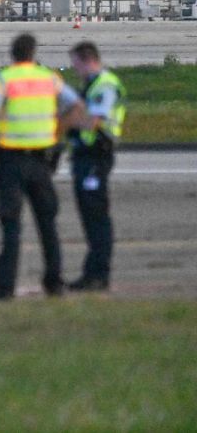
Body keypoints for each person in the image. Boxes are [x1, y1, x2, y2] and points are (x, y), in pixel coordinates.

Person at [0, 33, 83, 302]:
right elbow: (76, 106)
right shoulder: (49, 78)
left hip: (11, 159)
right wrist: (56, 133)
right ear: (33, 53)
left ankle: (5, 288)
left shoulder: (3, 79)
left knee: (11, 226)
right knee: (47, 224)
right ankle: (54, 282)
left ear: (12, 54)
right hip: (40, 160)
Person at [66, 41, 125, 292]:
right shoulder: (91, 85)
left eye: (76, 63)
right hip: (85, 157)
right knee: (89, 216)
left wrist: (68, 120)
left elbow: (93, 121)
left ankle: (99, 274)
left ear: (86, 59)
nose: (75, 69)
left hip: (96, 157)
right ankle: (93, 272)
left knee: (96, 215)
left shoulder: (105, 85)